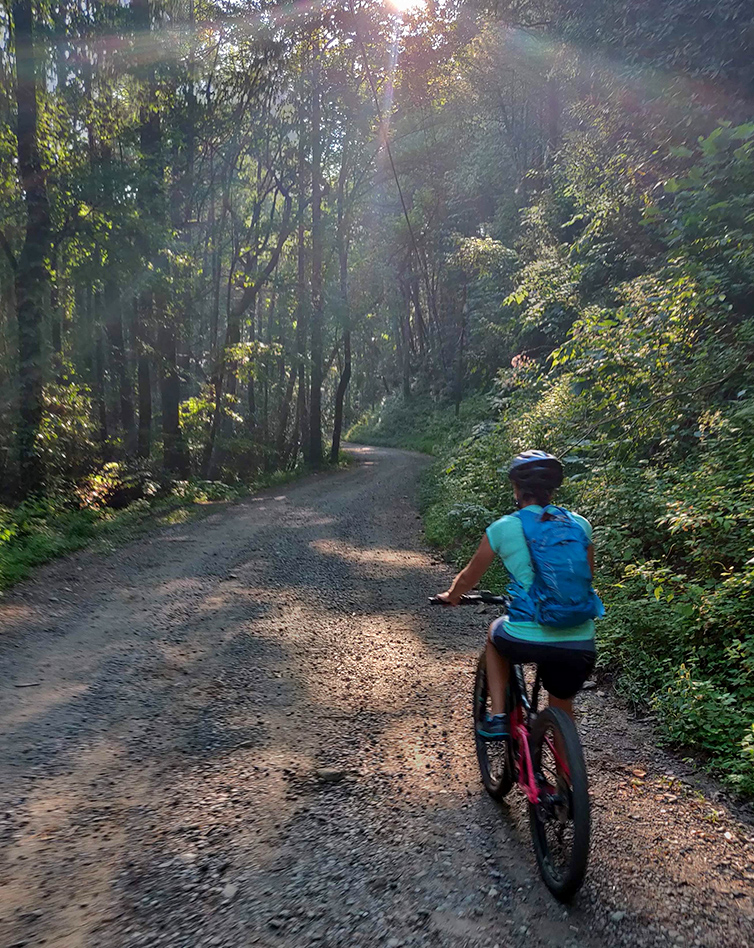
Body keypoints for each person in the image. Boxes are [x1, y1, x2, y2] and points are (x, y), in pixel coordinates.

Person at [436, 450, 601, 740]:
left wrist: (452, 595)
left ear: (516, 489)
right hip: (580, 639)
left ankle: (499, 716)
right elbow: (586, 577)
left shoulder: (503, 528)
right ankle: (568, 782)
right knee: (562, 706)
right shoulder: (580, 525)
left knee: (494, 634)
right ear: (552, 490)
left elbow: (469, 578)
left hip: (525, 635)